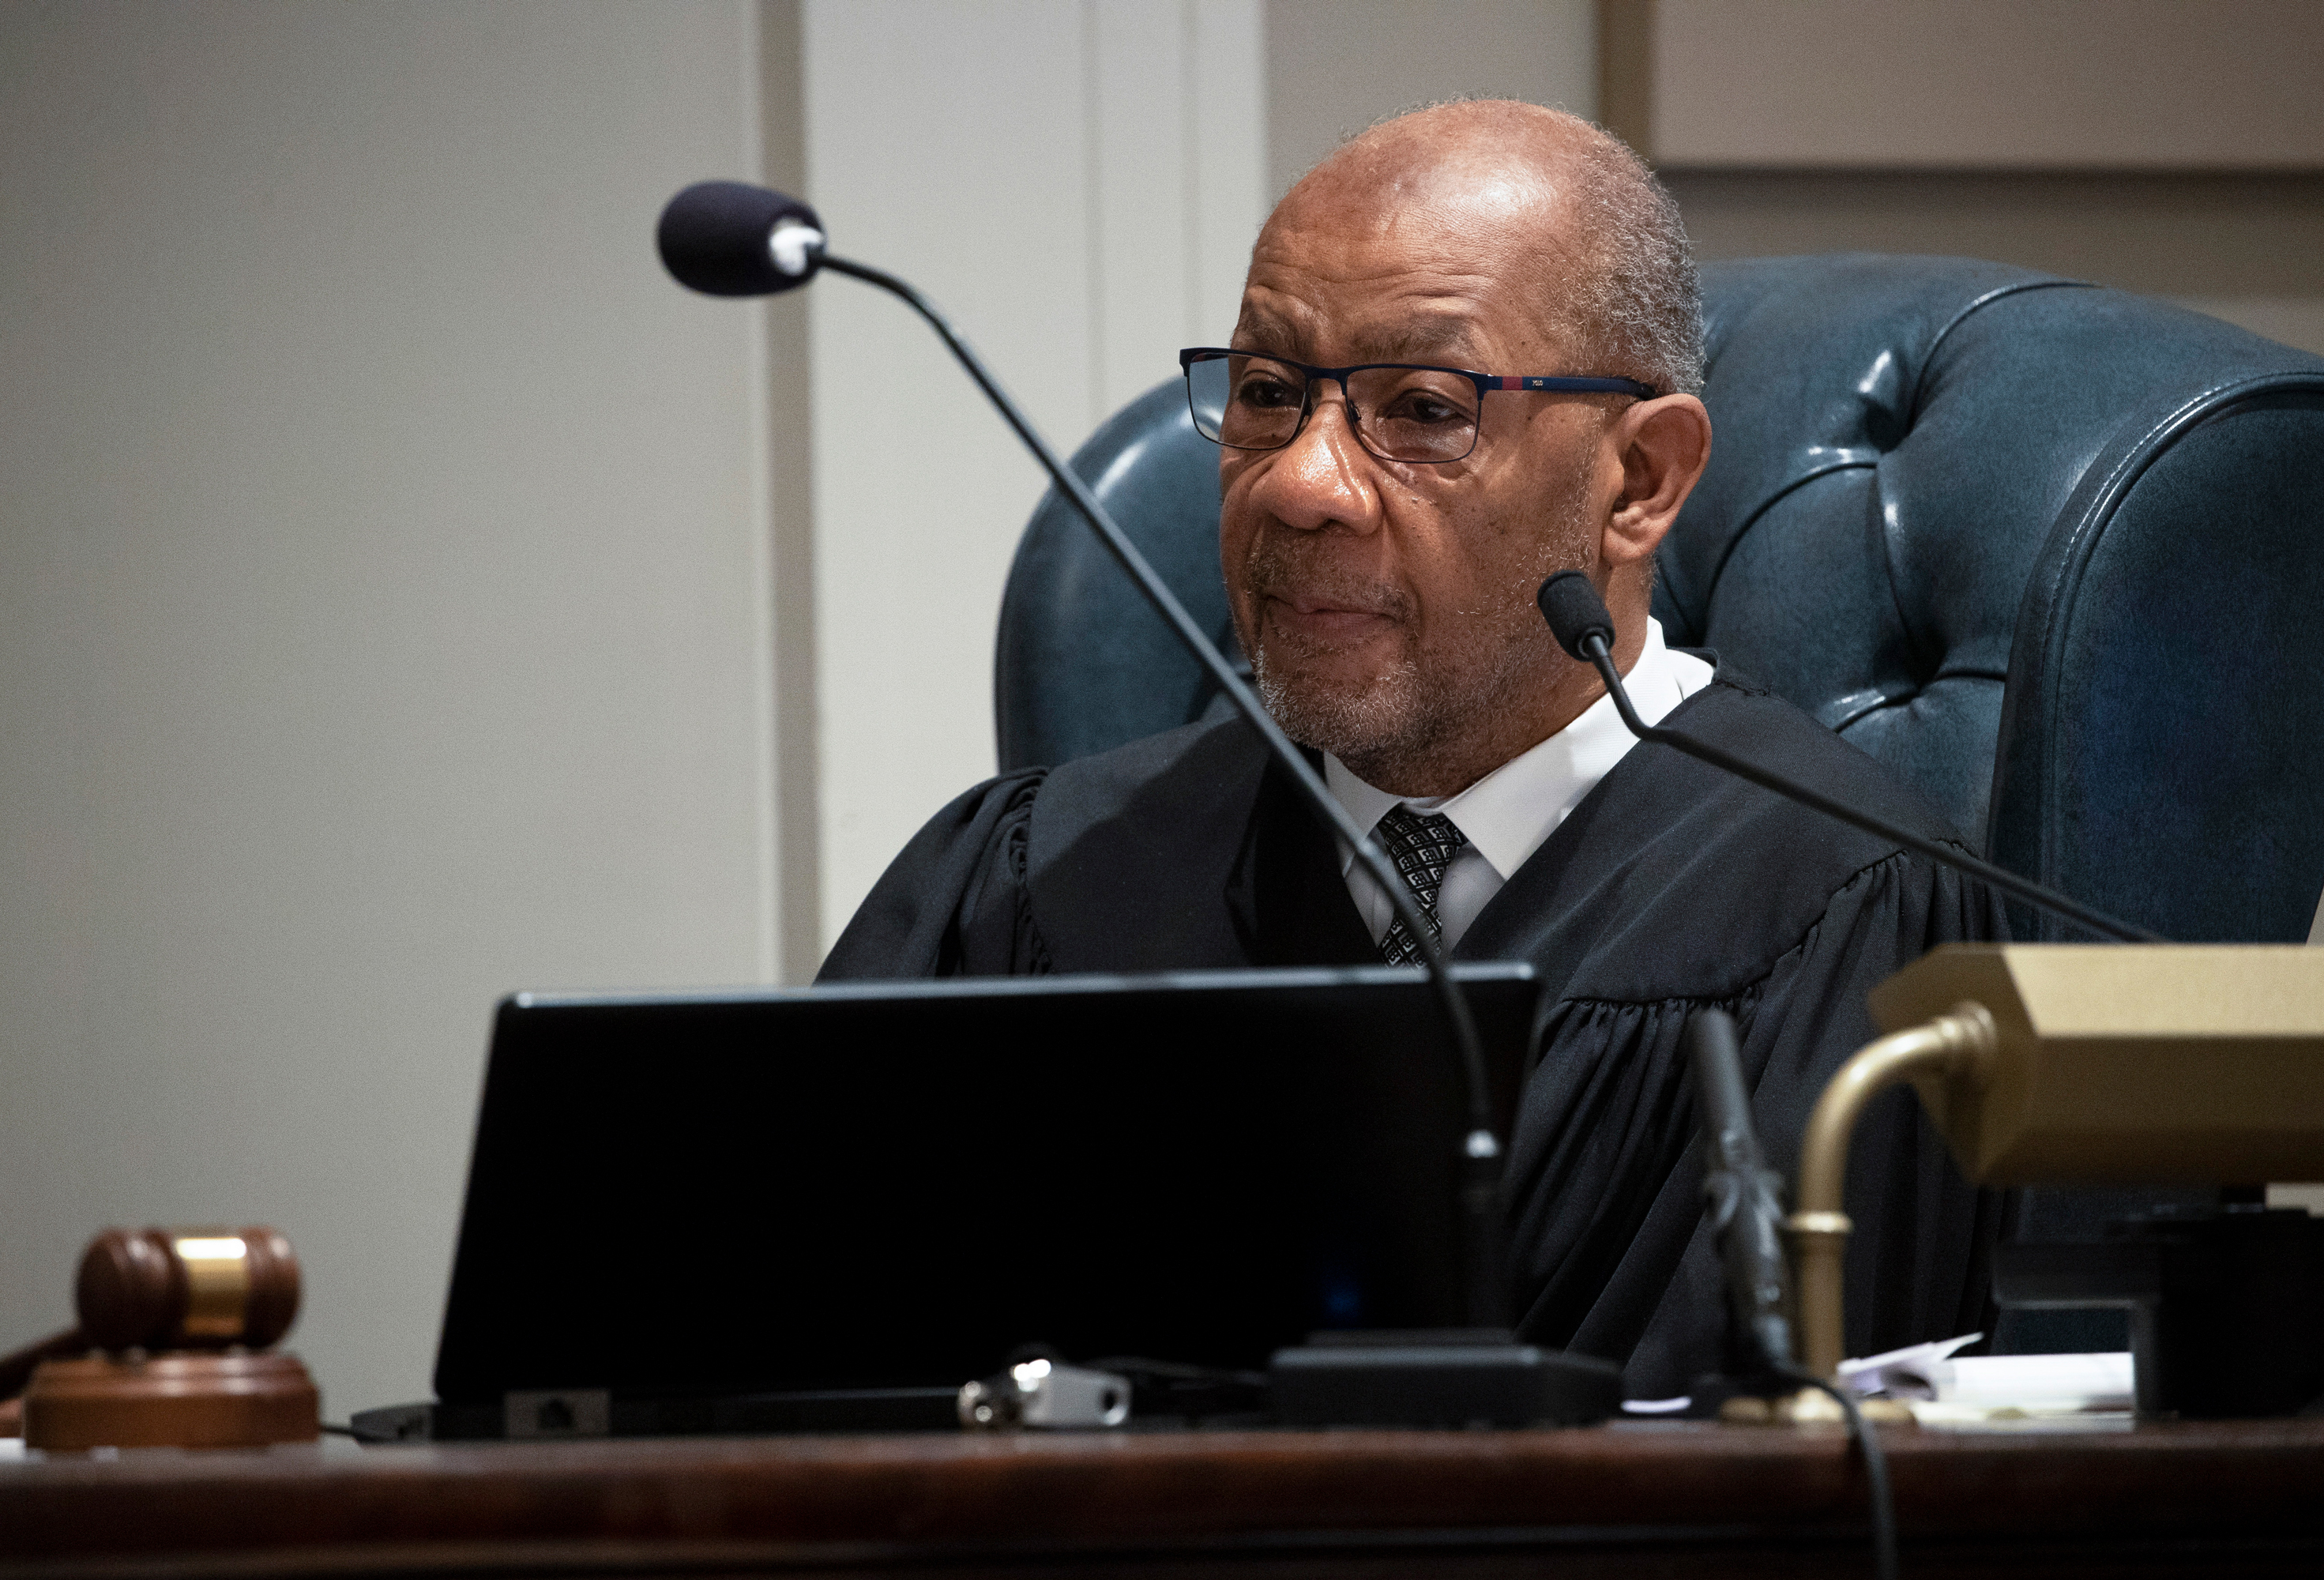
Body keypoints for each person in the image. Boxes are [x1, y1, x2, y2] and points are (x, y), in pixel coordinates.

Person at [821, 100, 2001, 1397]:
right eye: (1269, 394)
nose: (1300, 484)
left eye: (1426, 408)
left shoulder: (1844, 909)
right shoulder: (1030, 878)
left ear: (1642, 482)